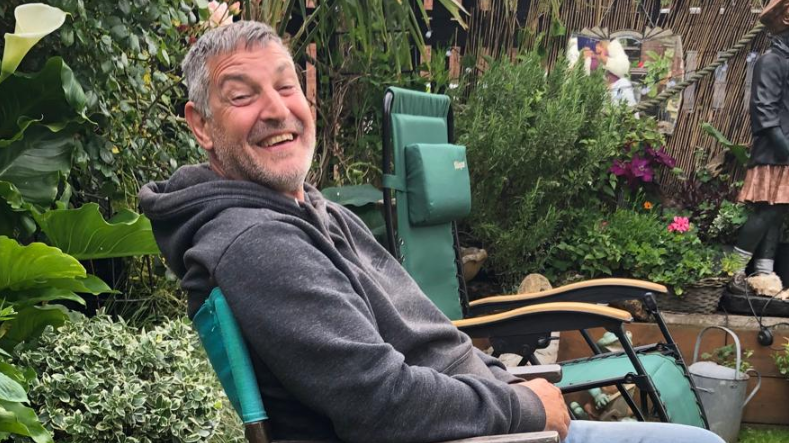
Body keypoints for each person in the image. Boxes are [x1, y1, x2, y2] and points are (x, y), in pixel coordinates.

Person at [139, 21, 724, 443]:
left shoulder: (313, 212)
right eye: (242, 96)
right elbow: (380, 404)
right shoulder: (260, 243)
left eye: (286, 86)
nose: (276, 110)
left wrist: (505, 386)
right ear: (203, 127)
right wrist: (523, 405)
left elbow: (422, 345)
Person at [728, 0, 789, 295]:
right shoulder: (770, 62)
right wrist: (785, 147)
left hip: (786, 151)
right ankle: (733, 270)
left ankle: (764, 273)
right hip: (774, 152)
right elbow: (764, 113)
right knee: (765, 211)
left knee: (779, 212)